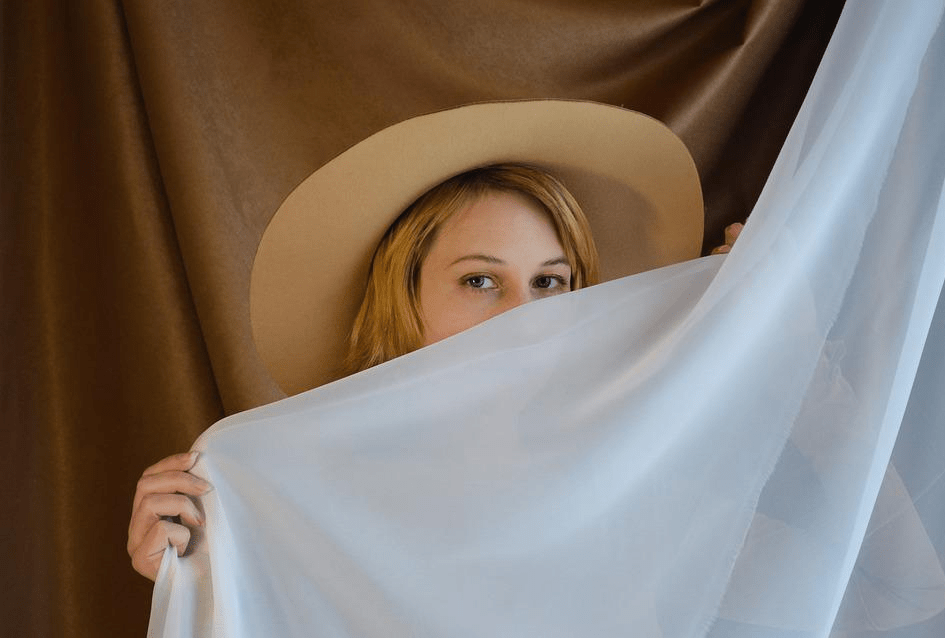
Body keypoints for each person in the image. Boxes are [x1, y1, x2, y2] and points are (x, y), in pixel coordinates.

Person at [128, 100, 733, 582]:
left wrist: (767, 335)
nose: (525, 316)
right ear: (405, 298)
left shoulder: (645, 466)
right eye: (480, 281)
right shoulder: (296, 502)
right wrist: (200, 589)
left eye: (549, 282)